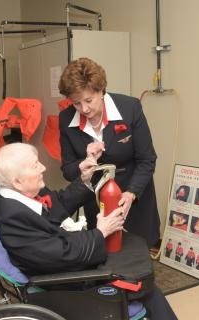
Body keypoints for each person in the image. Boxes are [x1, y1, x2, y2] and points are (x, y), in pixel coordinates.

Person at [0, 142, 177, 320]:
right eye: (35, 165)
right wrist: (101, 231)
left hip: (62, 259)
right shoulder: (13, 217)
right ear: (17, 182)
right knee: (146, 289)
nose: (43, 168)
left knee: (133, 255)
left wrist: (85, 179)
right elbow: (61, 254)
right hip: (62, 282)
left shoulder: (18, 196)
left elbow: (58, 203)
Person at [58, 57, 160, 247]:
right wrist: (84, 163)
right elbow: (67, 170)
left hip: (133, 199)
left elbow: (147, 160)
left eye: (89, 100)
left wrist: (131, 194)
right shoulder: (66, 120)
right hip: (96, 205)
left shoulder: (130, 108)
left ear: (101, 90)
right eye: (76, 103)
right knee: (103, 262)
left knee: (138, 263)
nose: (84, 109)